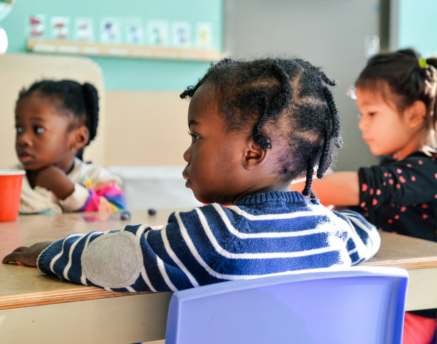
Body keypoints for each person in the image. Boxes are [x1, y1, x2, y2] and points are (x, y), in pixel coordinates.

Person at [3, 58, 379, 293]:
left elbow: (121, 257)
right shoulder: (334, 234)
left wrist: (48, 253)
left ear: (253, 152)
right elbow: (366, 231)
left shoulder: (214, 234)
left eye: (196, 137)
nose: (187, 152)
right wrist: (319, 211)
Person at [292, 49, 437, 344]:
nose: (362, 123)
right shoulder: (394, 165)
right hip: (383, 297)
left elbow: (359, 188)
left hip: (412, 309)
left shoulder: (434, 170)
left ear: (414, 114)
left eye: (372, 113)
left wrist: (280, 189)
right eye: (362, 113)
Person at [11, 80, 126, 214]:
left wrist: (67, 190)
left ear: (78, 138)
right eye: (19, 128)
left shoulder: (98, 179)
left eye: (38, 129)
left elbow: (118, 217)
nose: (23, 139)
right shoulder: (7, 181)